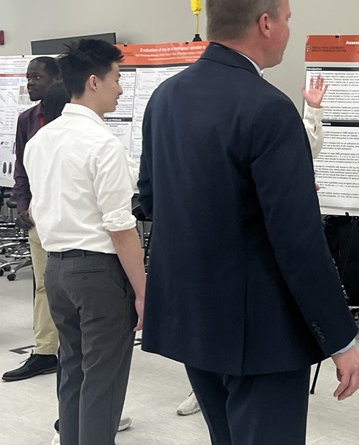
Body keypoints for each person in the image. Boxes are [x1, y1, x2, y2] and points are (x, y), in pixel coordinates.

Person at [138, 0, 359, 444]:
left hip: (193, 320)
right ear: (265, 23)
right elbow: (297, 242)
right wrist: (339, 339)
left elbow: (153, 198)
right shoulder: (268, 108)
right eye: (286, 17)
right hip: (261, 330)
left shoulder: (164, 99)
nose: (287, 29)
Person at [175, 76, 330, 418]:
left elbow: (303, 148)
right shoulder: (194, 114)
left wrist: (313, 111)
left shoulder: (267, 109)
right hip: (212, 250)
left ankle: (212, 385)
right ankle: (204, 386)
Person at [24, 39, 146, 445]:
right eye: (116, 79)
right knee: (104, 383)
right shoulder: (103, 144)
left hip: (56, 269)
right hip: (98, 273)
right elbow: (120, 226)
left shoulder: (40, 140)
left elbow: (42, 207)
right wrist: (144, 293)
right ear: (94, 82)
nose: (121, 88)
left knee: (73, 371)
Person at [3, 56, 60, 383]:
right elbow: (22, 168)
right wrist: (24, 204)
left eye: (37, 77)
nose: (30, 83)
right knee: (43, 285)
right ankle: (44, 352)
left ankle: (73, 350)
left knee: (68, 288)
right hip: (39, 216)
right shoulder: (27, 119)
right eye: (28, 77)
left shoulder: (72, 116)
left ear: (56, 79)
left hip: (68, 218)